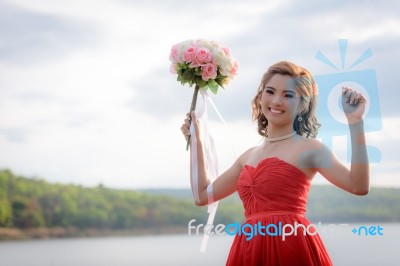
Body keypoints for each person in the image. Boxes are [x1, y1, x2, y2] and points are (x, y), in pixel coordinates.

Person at [180, 61, 369, 265]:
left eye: (288, 95)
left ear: (302, 104)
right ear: (260, 96)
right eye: (270, 91)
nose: (277, 101)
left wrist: (355, 122)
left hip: (291, 245)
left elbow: (358, 186)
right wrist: (196, 141)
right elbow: (202, 195)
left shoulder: (310, 148)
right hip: (250, 249)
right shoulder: (248, 156)